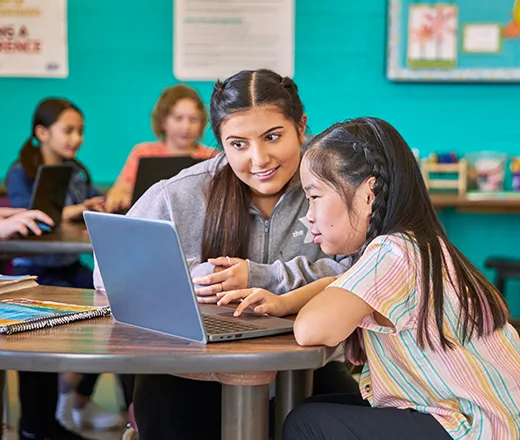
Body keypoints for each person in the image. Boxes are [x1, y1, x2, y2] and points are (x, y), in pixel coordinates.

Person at [93, 69, 359, 439]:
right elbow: (110, 273)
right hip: (191, 371)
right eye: (238, 144)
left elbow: (360, 271)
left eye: (272, 137)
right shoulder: (180, 193)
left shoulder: (337, 186)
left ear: (301, 127)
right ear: (219, 141)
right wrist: (195, 277)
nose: (258, 158)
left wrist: (260, 276)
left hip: (307, 368)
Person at [219, 117, 520, 440]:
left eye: (315, 196)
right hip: (486, 418)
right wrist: (284, 302)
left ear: (368, 194)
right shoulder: (415, 245)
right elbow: (348, 283)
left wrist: (295, 307)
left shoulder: (392, 252)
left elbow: (311, 329)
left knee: (306, 422)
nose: (308, 214)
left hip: (474, 429)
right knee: (316, 408)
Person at [7, 98, 121, 438]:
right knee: (35, 336)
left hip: (71, 266)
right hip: (35, 270)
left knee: (120, 308)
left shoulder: (75, 170)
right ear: (42, 133)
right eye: (68, 130)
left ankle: (75, 395)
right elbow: (28, 216)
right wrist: (73, 210)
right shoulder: (20, 171)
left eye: (80, 131)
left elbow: (82, 203)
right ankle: (37, 425)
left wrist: (91, 205)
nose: (76, 139)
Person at [104, 84, 217, 212]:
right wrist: (119, 197)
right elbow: (119, 191)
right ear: (163, 121)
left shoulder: (212, 156)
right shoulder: (143, 152)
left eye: (193, 119)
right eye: (178, 118)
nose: (186, 127)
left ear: (202, 122)